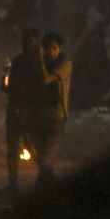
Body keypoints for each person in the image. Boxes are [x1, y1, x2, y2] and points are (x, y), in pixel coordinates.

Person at [2, 27, 45, 195]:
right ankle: (13, 185)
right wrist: (6, 84)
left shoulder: (40, 63)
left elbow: (42, 88)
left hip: (31, 111)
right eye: (25, 40)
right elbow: (9, 86)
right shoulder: (17, 62)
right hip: (14, 109)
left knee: (34, 147)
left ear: (37, 41)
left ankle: (46, 178)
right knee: (12, 149)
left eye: (31, 40)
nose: (27, 43)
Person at [31, 32, 72, 190]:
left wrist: (40, 60)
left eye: (54, 48)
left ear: (60, 49)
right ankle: (51, 187)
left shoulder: (65, 64)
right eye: (47, 48)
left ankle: (41, 190)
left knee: (45, 160)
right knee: (40, 160)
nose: (51, 52)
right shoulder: (39, 64)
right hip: (38, 116)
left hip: (56, 117)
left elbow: (46, 80)